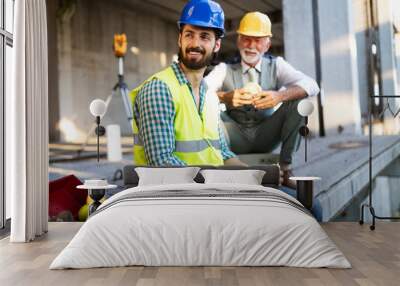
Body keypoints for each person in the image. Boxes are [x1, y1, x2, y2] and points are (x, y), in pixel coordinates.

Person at [205, 11, 319, 187]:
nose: (251, 45)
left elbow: (312, 85)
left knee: (300, 102)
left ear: (267, 44)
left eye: (257, 40)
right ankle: (223, 165)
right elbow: (198, 93)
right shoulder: (224, 68)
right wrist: (224, 97)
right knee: (206, 105)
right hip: (233, 136)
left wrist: (279, 96)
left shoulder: (277, 65)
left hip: (266, 134)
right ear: (238, 40)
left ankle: (286, 168)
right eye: (246, 39)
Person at [130, 0, 245, 166]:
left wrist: (254, 176)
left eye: (204, 36)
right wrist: (214, 183)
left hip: (209, 188)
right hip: (172, 191)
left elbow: (224, 154)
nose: (195, 44)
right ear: (180, 39)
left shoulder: (210, 96)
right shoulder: (159, 89)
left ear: (216, 45)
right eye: (189, 35)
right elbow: (162, 162)